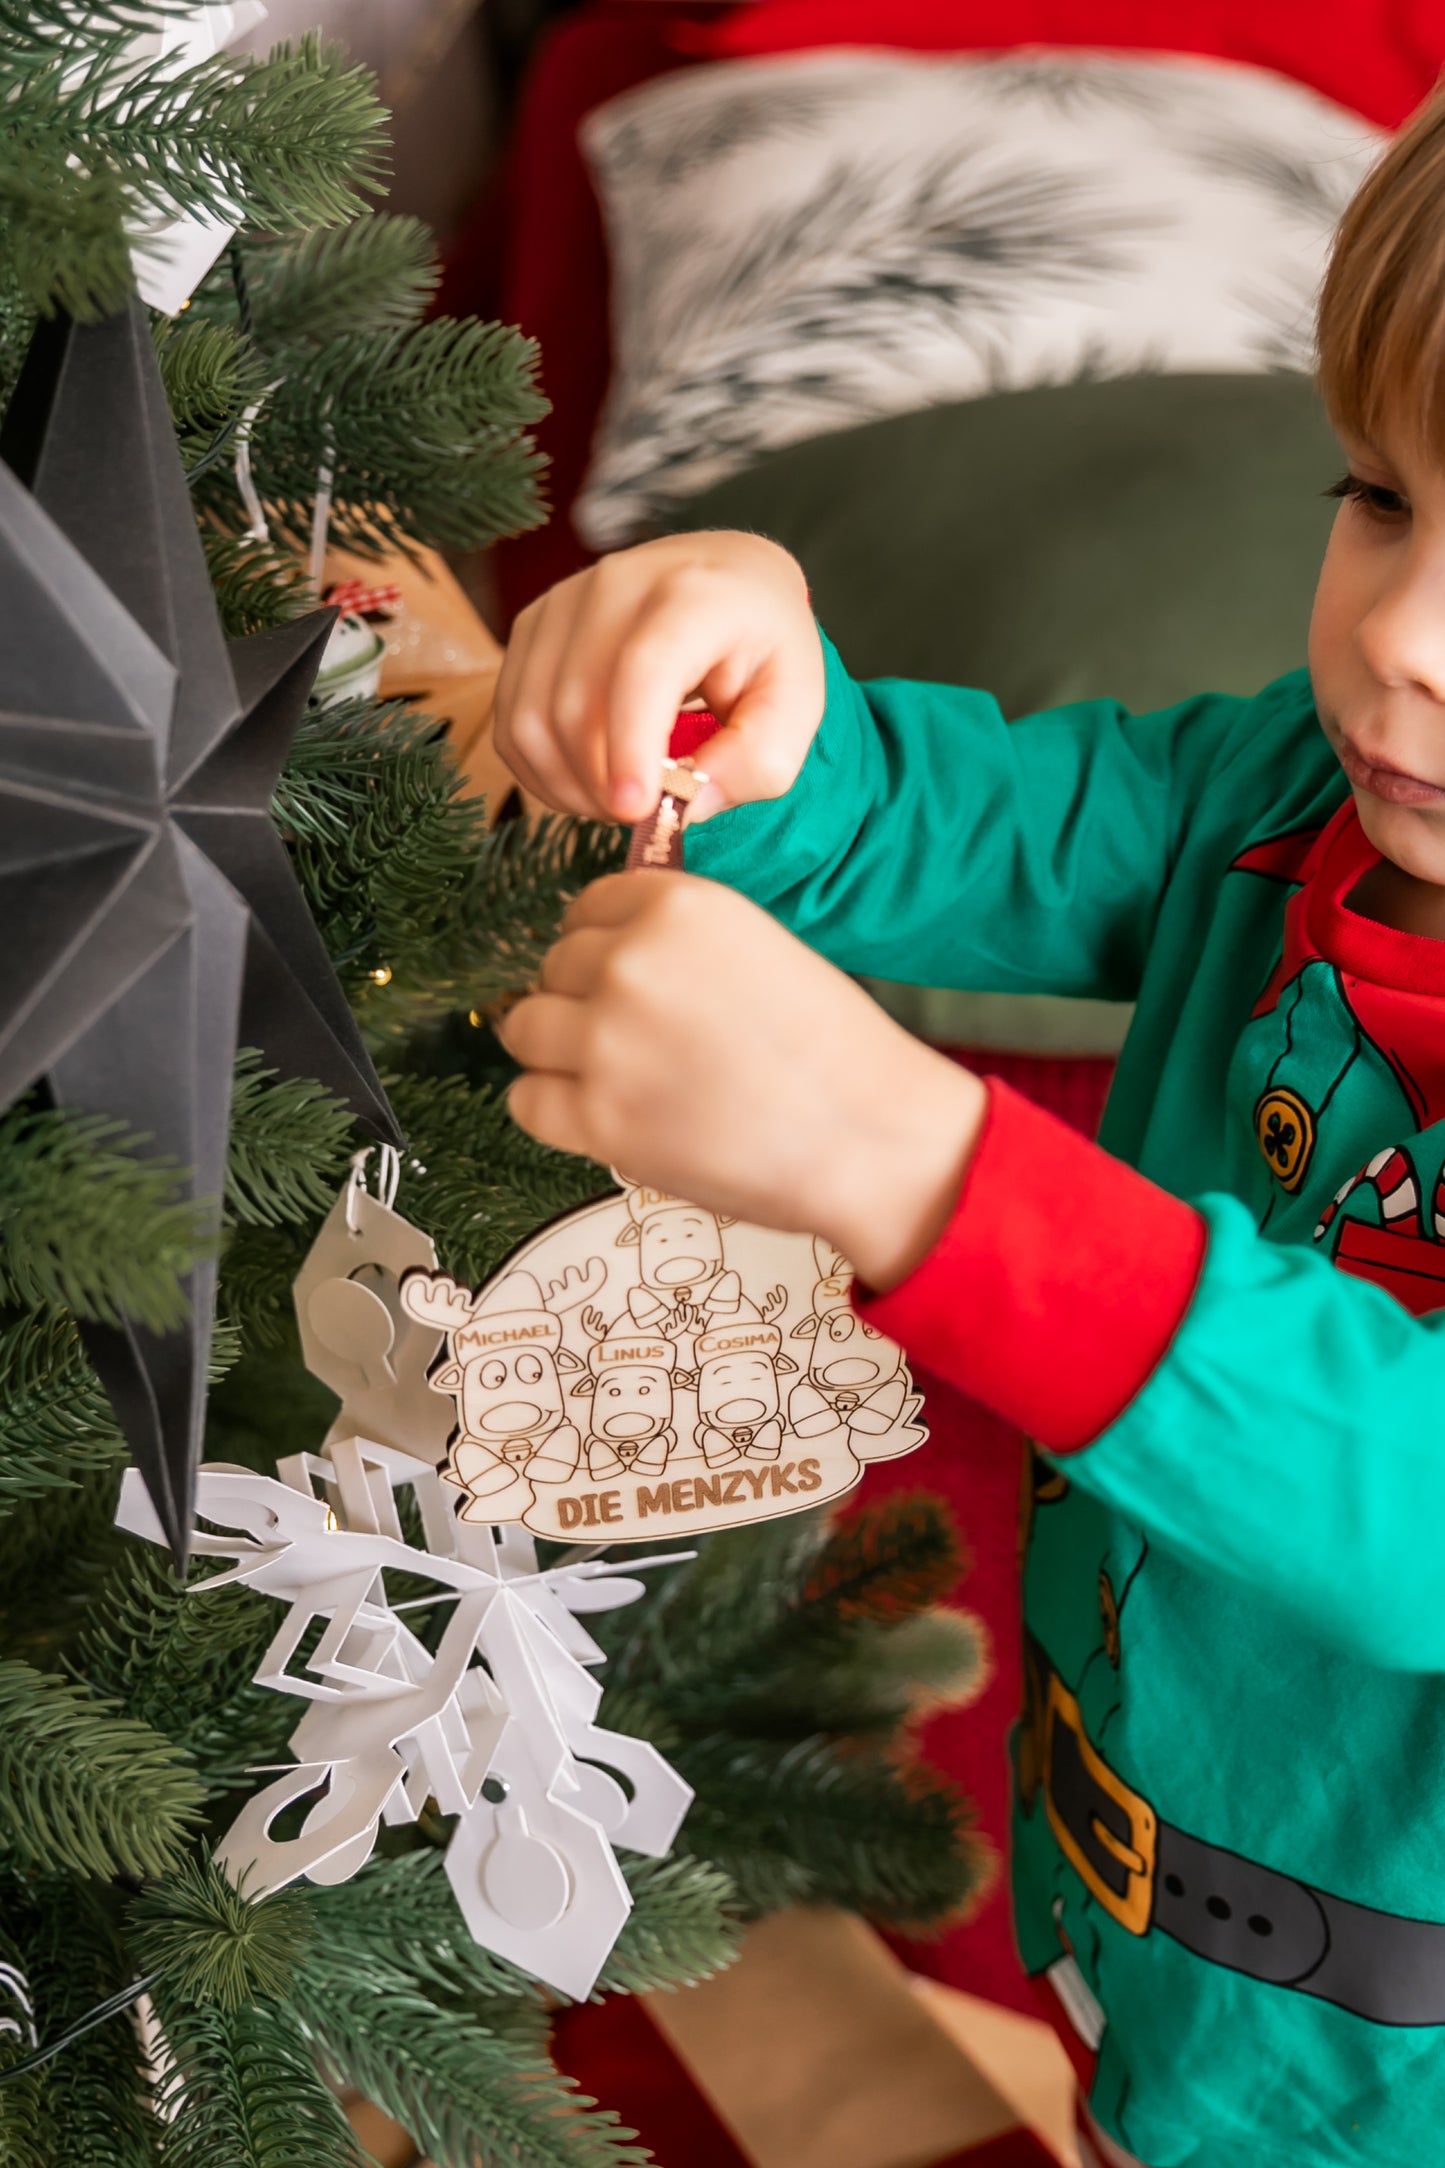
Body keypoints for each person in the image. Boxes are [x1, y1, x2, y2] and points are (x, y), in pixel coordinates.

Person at [490, 83, 1445, 2168]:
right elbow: (979, 823)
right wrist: (767, 696)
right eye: (1377, 496)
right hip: (1152, 1957)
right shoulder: (1286, 794)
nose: (1397, 640)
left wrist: (922, 1167)